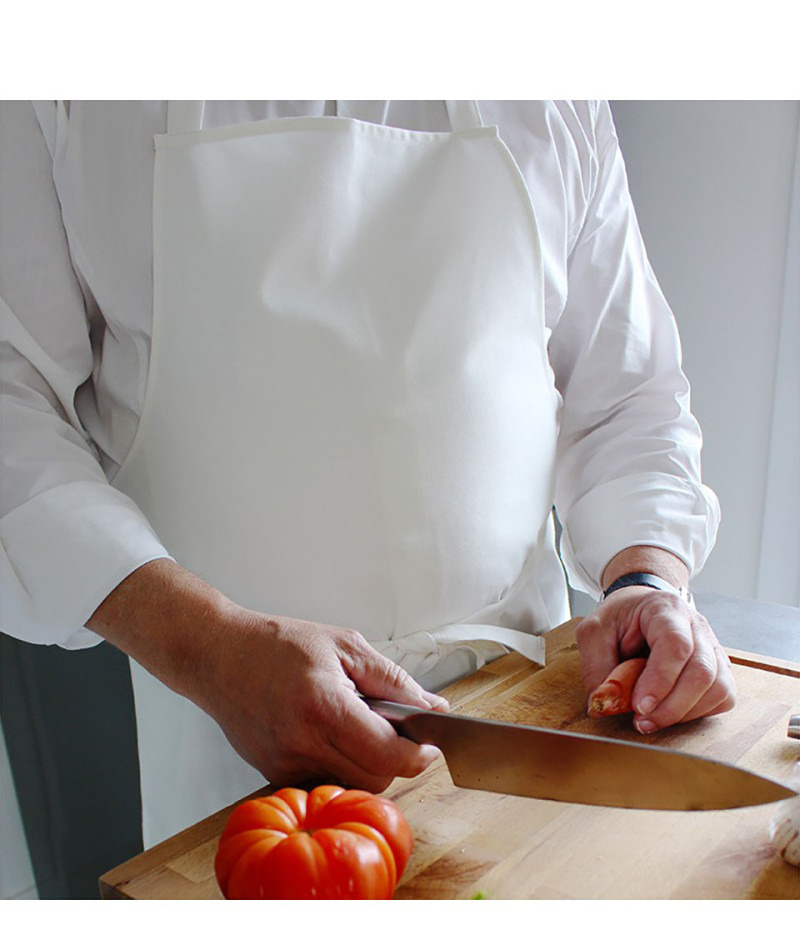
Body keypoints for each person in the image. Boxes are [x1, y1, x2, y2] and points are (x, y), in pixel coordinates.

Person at [1, 100, 735, 847]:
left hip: (531, 724)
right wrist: (209, 646)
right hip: (241, 776)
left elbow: (627, 394)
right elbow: (10, 406)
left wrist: (646, 580)